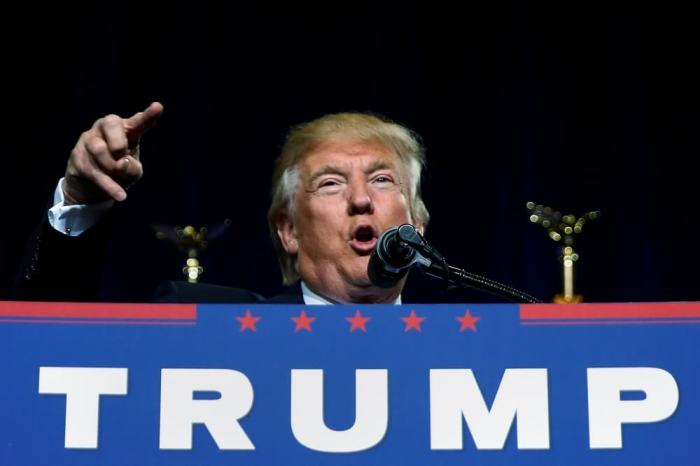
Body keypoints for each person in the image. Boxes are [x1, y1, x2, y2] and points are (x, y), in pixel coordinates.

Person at [16, 103, 430, 304]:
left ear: (417, 225)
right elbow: (45, 352)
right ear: (288, 231)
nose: (360, 199)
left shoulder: (471, 358)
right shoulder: (201, 323)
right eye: (330, 183)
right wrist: (81, 202)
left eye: (381, 180)